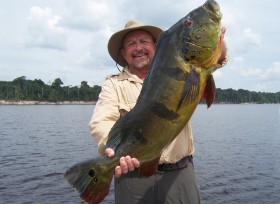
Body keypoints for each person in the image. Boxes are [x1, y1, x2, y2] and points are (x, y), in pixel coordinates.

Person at [89, 19, 228, 204]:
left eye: (144, 42)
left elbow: (216, 59)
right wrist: (113, 152)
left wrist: (217, 38)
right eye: (131, 44)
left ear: (156, 46)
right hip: (133, 176)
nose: (138, 48)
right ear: (123, 53)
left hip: (179, 173)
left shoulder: (182, 68)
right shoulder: (113, 84)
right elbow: (101, 122)